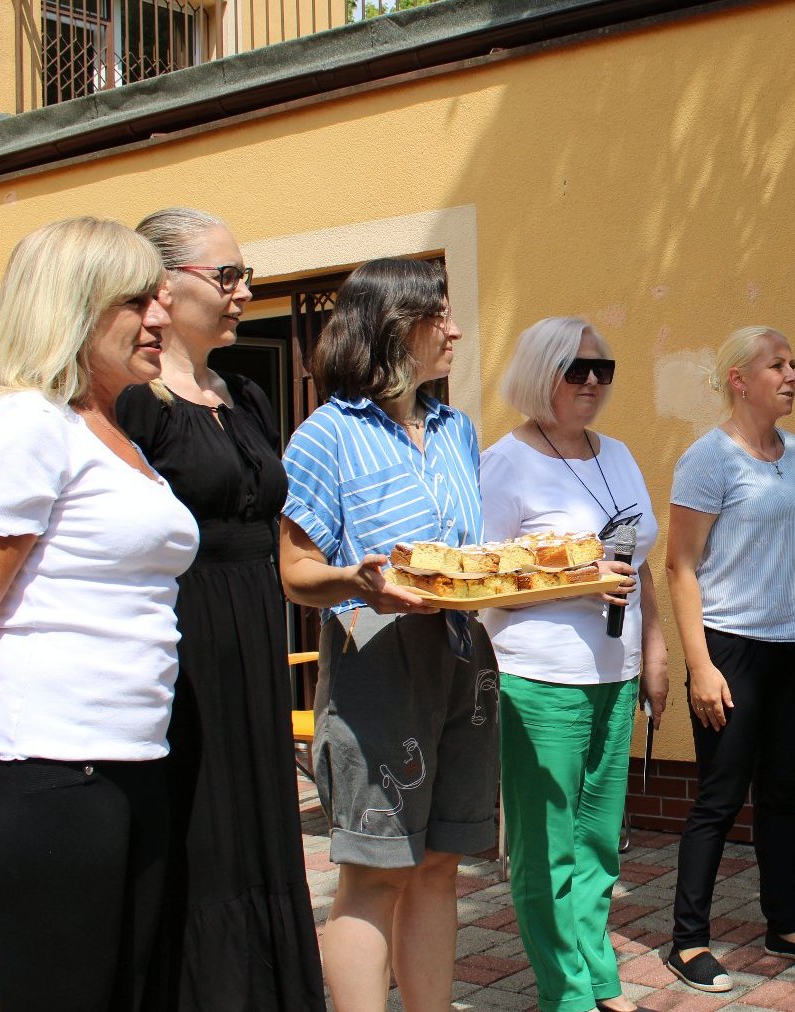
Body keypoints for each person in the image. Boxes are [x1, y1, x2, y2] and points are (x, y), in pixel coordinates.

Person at [0, 217, 197, 1010]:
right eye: (137, 301)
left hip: (129, 765)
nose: (160, 319)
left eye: (162, 298)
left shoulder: (108, 429)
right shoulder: (26, 427)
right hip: (47, 779)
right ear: (73, 307)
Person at [116, 207, 325, 1009]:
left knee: (258, 823)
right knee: (199, 825)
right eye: (227, 276)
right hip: (183, 635)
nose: (242, 292)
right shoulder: (139, 403)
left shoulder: (241, 395)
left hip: (251, 634)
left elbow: (270, 531)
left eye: (246, 278)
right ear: (163, 285)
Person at [278, 258, 497, 1010]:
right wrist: (358, 582)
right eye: (440, 315)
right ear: (393, 327)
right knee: (374, 872)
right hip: (375, 657)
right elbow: (295, 569)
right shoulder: (324, 436)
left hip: (464, 658)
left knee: (439, 864)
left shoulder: (456, 428)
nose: (455, 329)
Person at [480, 317, 666, 1012]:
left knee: (597, 840)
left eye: (603, 370)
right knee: (547, 845)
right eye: (577, 369)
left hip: (614, 673)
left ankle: (597, 975)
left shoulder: (615, 453)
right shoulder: (507, 461)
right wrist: (574, 581)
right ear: (540, 372)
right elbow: (481, 576)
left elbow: (640, 563)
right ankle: (565, 993)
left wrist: (656, 650)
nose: (593, 382)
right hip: (540, 676)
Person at [663, 326, 795, 992]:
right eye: (778, 364)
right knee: (718, 797)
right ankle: (688, 942)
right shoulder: (707, 460)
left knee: (779, 794)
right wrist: (701, 665)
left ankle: (785, 926)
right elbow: (680, 566)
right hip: (732, 649)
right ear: (739, 378)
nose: (793, 374)